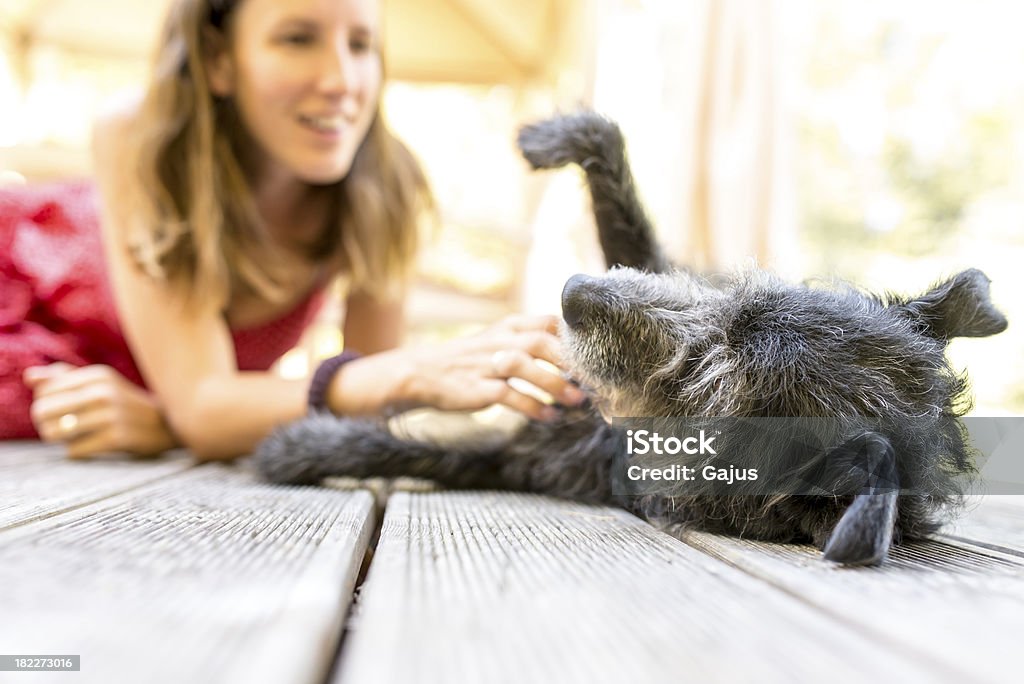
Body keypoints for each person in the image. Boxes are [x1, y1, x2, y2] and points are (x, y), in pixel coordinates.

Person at [0, 0, 584, 460]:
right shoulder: (140, 134)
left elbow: (365, 408)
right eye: (297, 38)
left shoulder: (385, 185)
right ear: (217, 59)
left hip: (80, 403)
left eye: (361, 45)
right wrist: (177, 421)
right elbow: (208, 406)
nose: (341, 80)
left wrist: (175, 421)